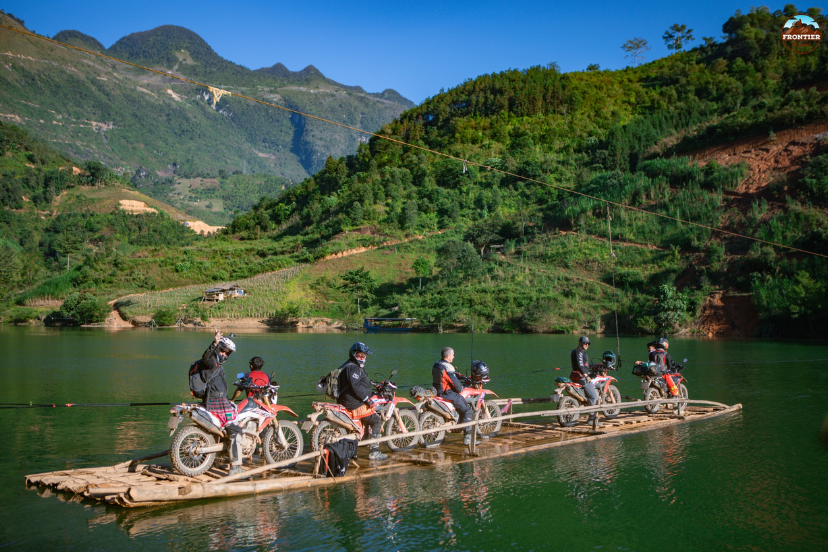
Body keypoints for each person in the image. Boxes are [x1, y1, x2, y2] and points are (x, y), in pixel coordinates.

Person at [336, 342, 387, 462]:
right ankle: (374, 452)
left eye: (363, 356)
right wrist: (367, 400)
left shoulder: (348, 365)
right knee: (376, 420)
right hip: (354, 403)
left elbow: (357, 383)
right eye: (359, 356)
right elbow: (355, 387)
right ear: (353, 355)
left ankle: (363, 441)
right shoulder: (353, 367)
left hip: (348, 400)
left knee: (371, 417)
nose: (362, 358)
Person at [432, 347, 478, 446]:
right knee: (467, 410)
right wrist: (462, 387)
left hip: (436, 391)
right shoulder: (448, 367)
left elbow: (450, 375)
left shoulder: (437, 364)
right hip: (446, 393)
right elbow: (456, 385)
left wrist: (461, 376)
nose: (454, 357)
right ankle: (468, 438)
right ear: (448, 356)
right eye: (453, 355)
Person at [570, 336, 601, 427]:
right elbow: (580, 365)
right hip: (582, 378)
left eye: (588, 343)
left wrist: (592, 367)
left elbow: (583, 364)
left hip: (577, 376)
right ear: (580, 343)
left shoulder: (578, 352)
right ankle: (591, 419)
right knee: (594, 397)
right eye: (585, 343)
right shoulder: (579, 352)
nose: (587, 345)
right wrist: (585, 374)